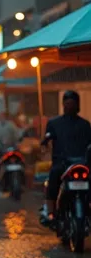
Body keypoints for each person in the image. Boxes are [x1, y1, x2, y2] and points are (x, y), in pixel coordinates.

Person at [41, 91, 91, 226]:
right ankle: (50, 212)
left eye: (72, 103)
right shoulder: (54, 123)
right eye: (67, 103)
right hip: (62, 163)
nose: (70, 106)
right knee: (53, 177)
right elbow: (46, 140)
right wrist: (45, 143)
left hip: (82, 164)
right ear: (63, 104)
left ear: (77, 105)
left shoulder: (85, 125)